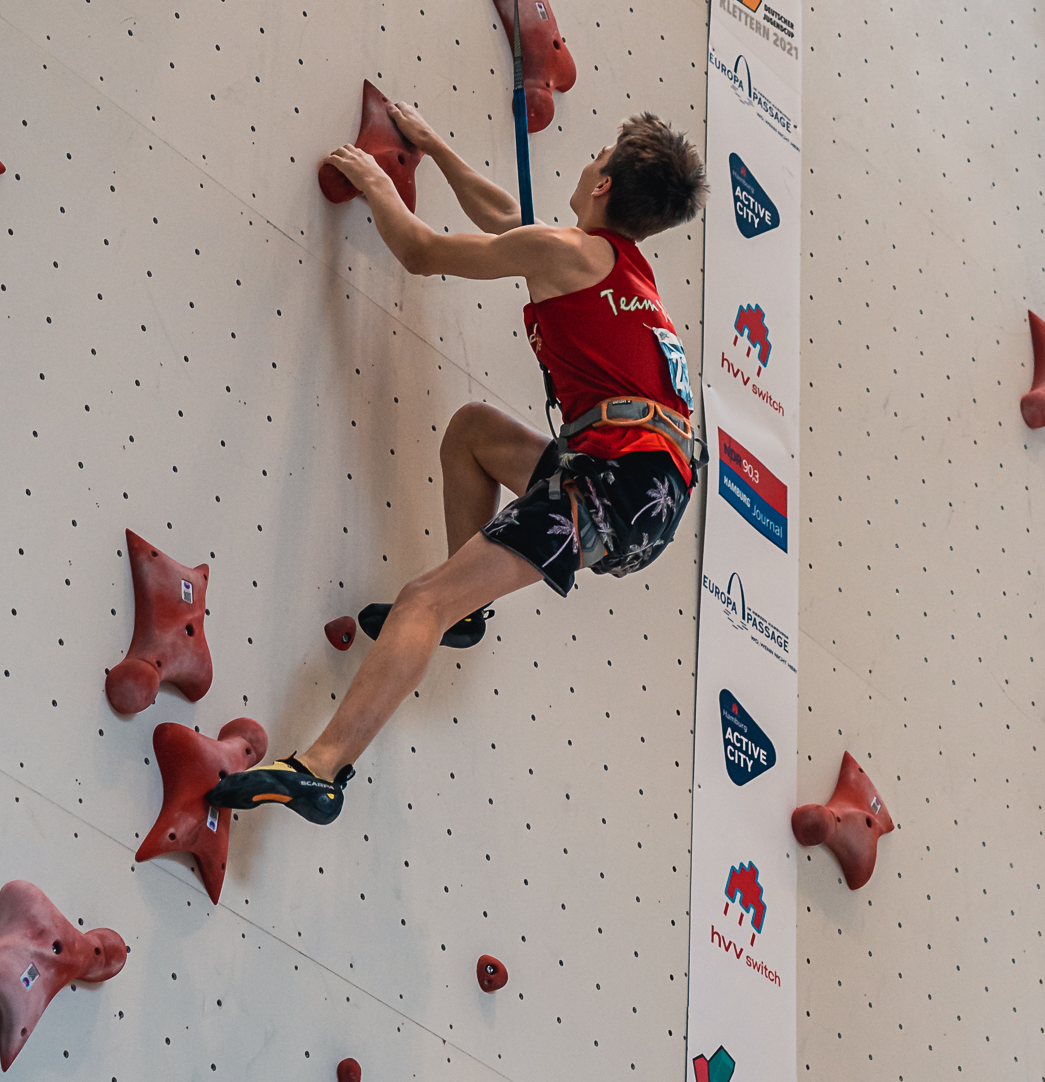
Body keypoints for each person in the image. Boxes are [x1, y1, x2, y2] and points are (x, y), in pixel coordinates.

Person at [209, 104, 708, 824]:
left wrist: (375, 180)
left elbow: (419, 251)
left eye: (597, 155)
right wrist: (437, 148)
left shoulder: (569, 253)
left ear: (602, 185)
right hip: (641, 484)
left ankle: (320, 770)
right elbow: (507, 219)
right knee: (474, 432)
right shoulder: (618, 265)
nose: (587, 160)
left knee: (422, 601)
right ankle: (464, 613)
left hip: (617, 480)